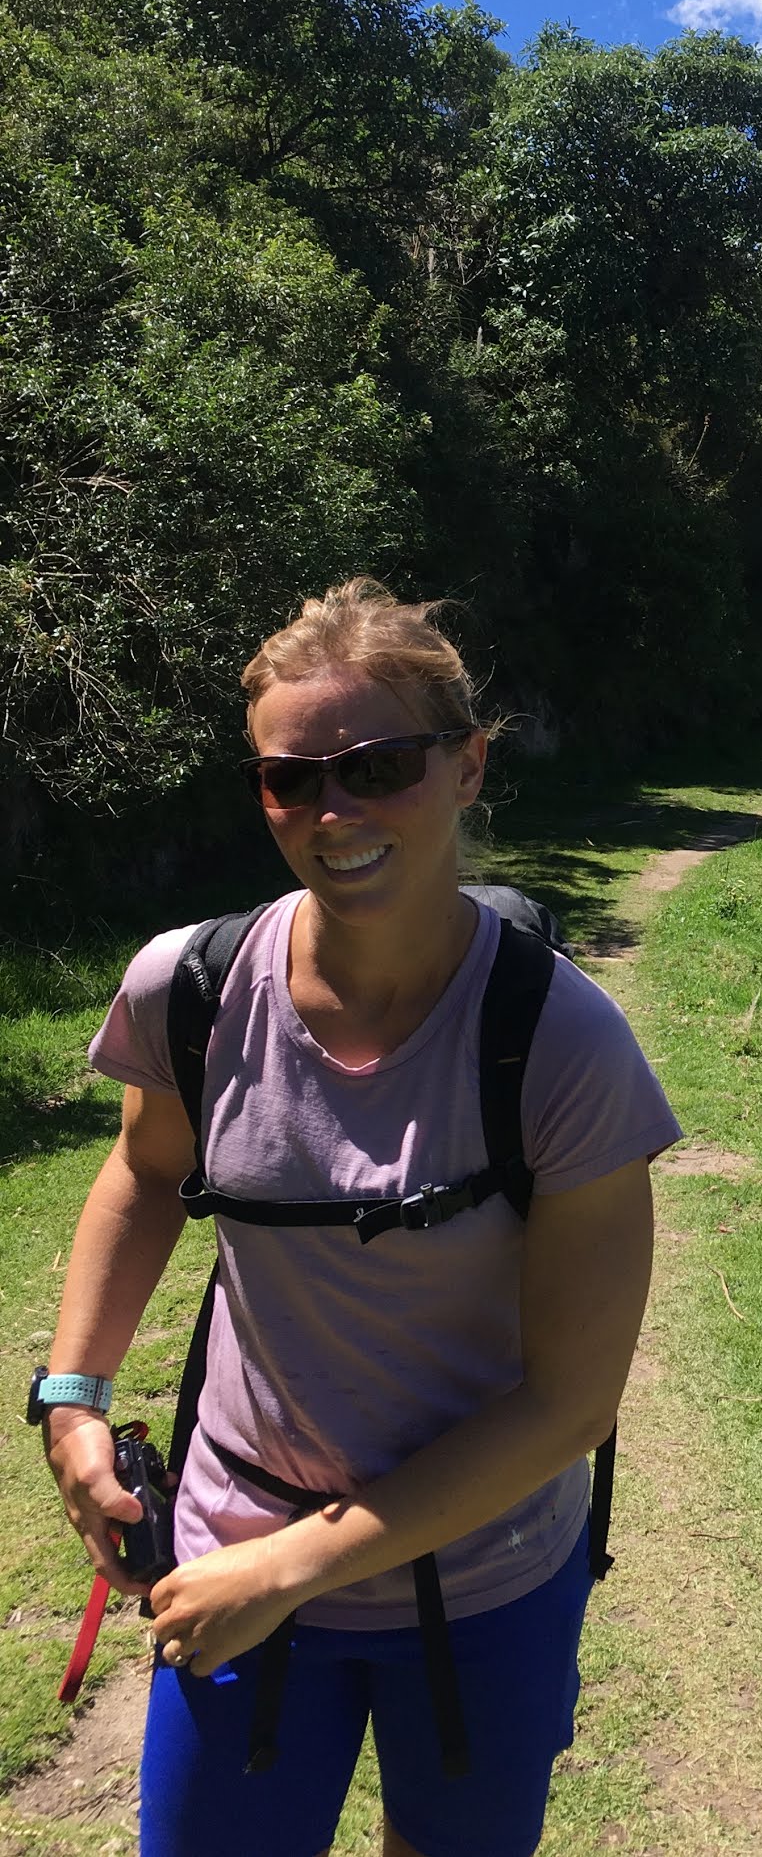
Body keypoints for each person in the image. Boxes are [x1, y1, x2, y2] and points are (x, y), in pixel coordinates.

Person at [43, 582, 669, 1856]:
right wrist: (71, 1397)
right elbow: (145, 1172)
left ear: (468, 764)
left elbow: (572, 1403)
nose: (334, 811)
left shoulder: (560, 1041)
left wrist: (288, 1570)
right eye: (291, 779)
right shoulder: (191, 988)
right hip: (233, 1533)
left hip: (484, 1572)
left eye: (379, 765)